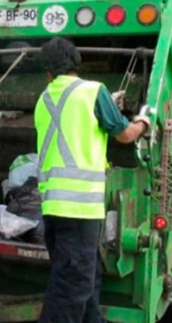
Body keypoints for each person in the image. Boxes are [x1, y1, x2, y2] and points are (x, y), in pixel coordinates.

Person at [34, 37, 151, 323]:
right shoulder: (93, 91)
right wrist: (144, 122)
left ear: (48, 72)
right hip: (81, 209)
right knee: (72, 287)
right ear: (77, 64)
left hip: (53, 209)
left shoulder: (44, 98)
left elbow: (72, 123)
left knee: (84, 277)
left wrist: (106, 106)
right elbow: (125, 135)